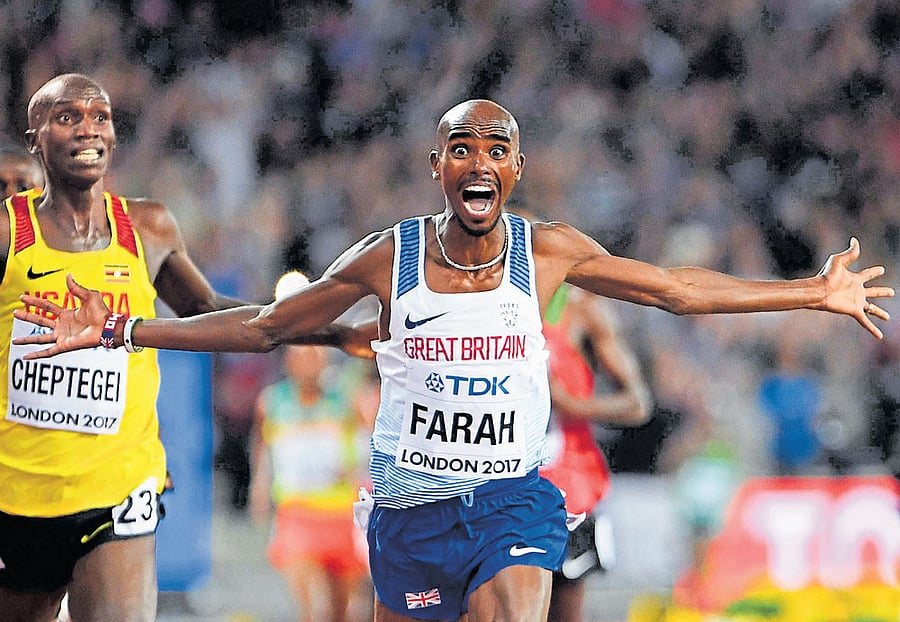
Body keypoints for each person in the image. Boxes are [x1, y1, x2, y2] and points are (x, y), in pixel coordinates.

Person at [14, 99, 894, 622]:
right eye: (463, 148)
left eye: (496, 149)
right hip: (410, 512)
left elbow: (674, 288)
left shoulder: (547, 251)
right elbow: (267, 327)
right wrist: (124, 330)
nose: (480, 162)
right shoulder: (387, 256)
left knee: (514, 603)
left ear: (516, 169)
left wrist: (808, 293)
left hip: (512, 497)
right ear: (437, 164)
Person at [0, 73, 357, 622]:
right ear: (35, 139)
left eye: (100, 117)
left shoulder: (147, 227)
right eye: (67, 117)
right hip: (17, 496)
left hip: (119, 490)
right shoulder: (9, 234)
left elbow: (213, 311)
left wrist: (331, 333)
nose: (88, 129)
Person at [248, 273, 374, 622]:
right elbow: (263, 446)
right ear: (289, 360)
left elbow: (371, 446)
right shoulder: (271, 401)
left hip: (342, 515)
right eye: (301, 356)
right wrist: (260, 487)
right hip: (297, 515)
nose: (308, 362)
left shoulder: (347, 399)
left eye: (316, 355)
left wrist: (359, 472)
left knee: (344, 614)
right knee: (314, 612)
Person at [538, 283, 650, 622]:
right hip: (497, 479)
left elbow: (637, 403)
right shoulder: (483, 300)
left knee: (562, 611)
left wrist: (569, 404)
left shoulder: (580, 309)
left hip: (567, 486)